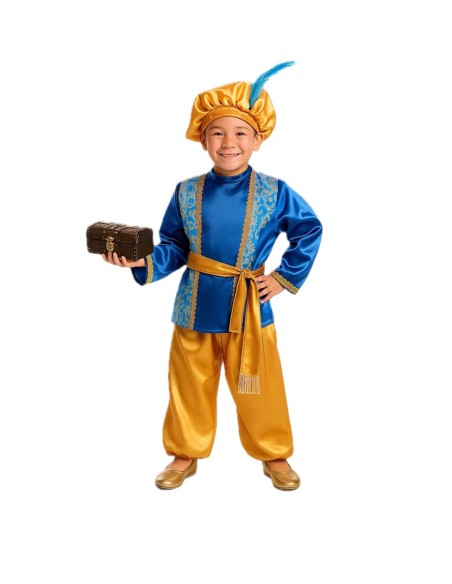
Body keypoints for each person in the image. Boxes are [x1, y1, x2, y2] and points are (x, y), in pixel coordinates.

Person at [102, 61, 322, 491]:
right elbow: (174, 244)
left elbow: (309, 228)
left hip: (249, 307)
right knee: (188, 384)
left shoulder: (276, 191)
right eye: (217, 133)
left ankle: (274, 452)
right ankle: (184, 452)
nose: (229, 142)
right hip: (195, 305)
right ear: (203, 140)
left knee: (259, 384)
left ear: (258, 139)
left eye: (240, 133)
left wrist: (284, 277)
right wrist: (142, 263)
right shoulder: (186, 191)